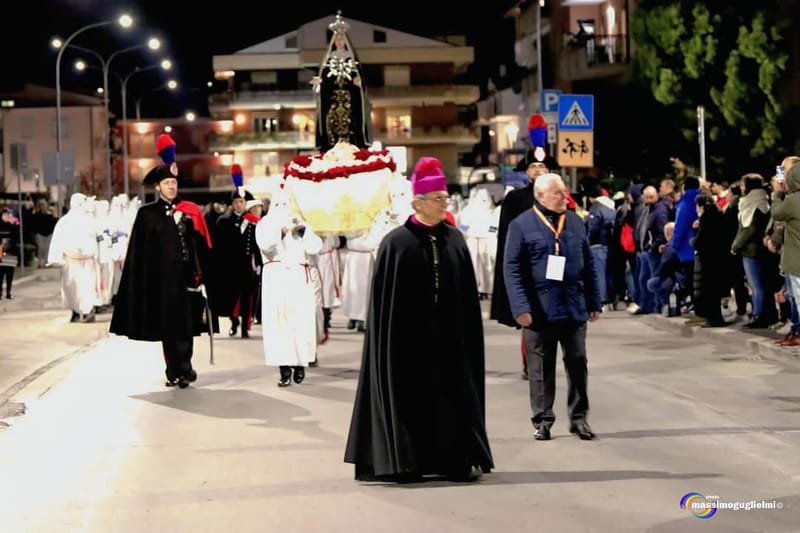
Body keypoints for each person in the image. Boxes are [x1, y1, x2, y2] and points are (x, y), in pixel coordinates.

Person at [344, 156, 494, 483]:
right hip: (406, 343)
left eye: (445, 198)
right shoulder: (395, 244)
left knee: (451, 399)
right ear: (418, 202)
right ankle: (404, 461)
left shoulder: (455, 240)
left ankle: (454, 458)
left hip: (449, 340)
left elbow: (466, 297)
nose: (444, 204)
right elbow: (385, 307)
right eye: (438, 199)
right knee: (408, 401)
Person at [110, 134, 216, 388]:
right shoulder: (147, 215)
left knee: (187, 326)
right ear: (158, 187)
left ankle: (186, 365)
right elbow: (141, 253)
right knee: (169, 329)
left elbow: (199, 244)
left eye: (173, 182)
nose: (171, 186)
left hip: (187, 278)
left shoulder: (189, 211)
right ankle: (175, 370)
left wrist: (202, 272)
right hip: (162, 282)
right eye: (167, 183)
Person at [504, 173, 601, 441]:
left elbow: (589, 265)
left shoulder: (575, 222)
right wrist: (520, 308)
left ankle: (579, 419)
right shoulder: (521, 226)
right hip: (539, 310)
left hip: (573, 307)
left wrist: (594, 301)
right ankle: (543, 419)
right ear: (540, 196)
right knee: (540, 368)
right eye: (557, 193)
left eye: (564, 191)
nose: (563, 196)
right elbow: (511, 270)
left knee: (578, 363)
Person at [491, 155, 554, 379]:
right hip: (527, 268)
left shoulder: (559, 197)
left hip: (554, 267)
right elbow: (507, 238)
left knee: (553, 318)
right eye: (533, 166)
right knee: (531, 321)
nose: (537, 170)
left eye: (541, 166)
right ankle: (532, 363)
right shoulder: (515, 198)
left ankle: (547, 361)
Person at [212, 164, 261, 339]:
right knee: (232, 295)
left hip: (247, 264)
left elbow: (256, 243)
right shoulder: (223, 221)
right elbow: (219, 245)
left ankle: (245, 327)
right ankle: (234, 322)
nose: (239, 204)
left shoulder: (253, 221)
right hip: (230, 265)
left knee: (247, 295)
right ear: (232, 204)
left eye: (242, 202)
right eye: (236, 202)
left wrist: (259, 263)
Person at [312, 13, 371, 151]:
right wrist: (320, 82)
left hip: (349, 98)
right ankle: (331, 145)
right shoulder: (329, 58)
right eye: (337, 39)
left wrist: (358, 83)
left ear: (345, 41)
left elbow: (360, 78)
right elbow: (325, 78)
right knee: (331, 122)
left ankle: (353, 144)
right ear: (334, 41)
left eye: (341, 39)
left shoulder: (352, 58)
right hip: (333, 99)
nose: (339, 41)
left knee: (352, 121)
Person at [0, 208, 19, 299]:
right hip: (1, 254)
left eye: (8, 215)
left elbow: (18, 228)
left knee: (10, 275)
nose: (6, 217)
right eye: (4, 215)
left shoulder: (13, 225)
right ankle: (0, 293)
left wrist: (14, 222)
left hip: (11, 255)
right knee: (0, 275)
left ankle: (8, 292)